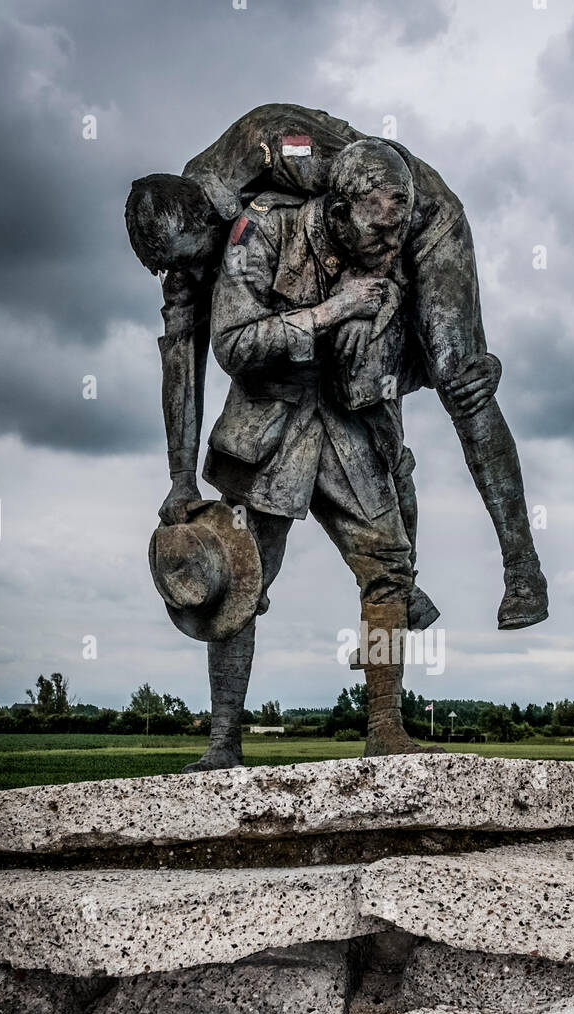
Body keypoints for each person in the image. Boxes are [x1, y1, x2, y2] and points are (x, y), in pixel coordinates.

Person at [125, 103, 548, 630]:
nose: (189, 276)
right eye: (174, 270)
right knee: (352, 385)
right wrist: (181, 479)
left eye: (194, 262)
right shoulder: (186, 240)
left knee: (457, 375)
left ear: (215, 219)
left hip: (411, 219)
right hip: (351, 255)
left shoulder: (278, 147)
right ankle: (400, 583)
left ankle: (523, 566)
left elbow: (368, 209)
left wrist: (369, 301)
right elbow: (181, 355)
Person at [181, 139, 435, 770]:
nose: (388, 247)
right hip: (268, 431)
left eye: (396, 233)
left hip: (353, 426)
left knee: (388, 567)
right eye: (377, 232)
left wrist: (380, 308)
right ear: (340, 208)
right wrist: (331, 313)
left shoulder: (386, 245)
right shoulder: (261, 230)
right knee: (238, 573)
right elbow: (234, 345)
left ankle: (385, 727)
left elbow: (406, 310)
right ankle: (223, 742)